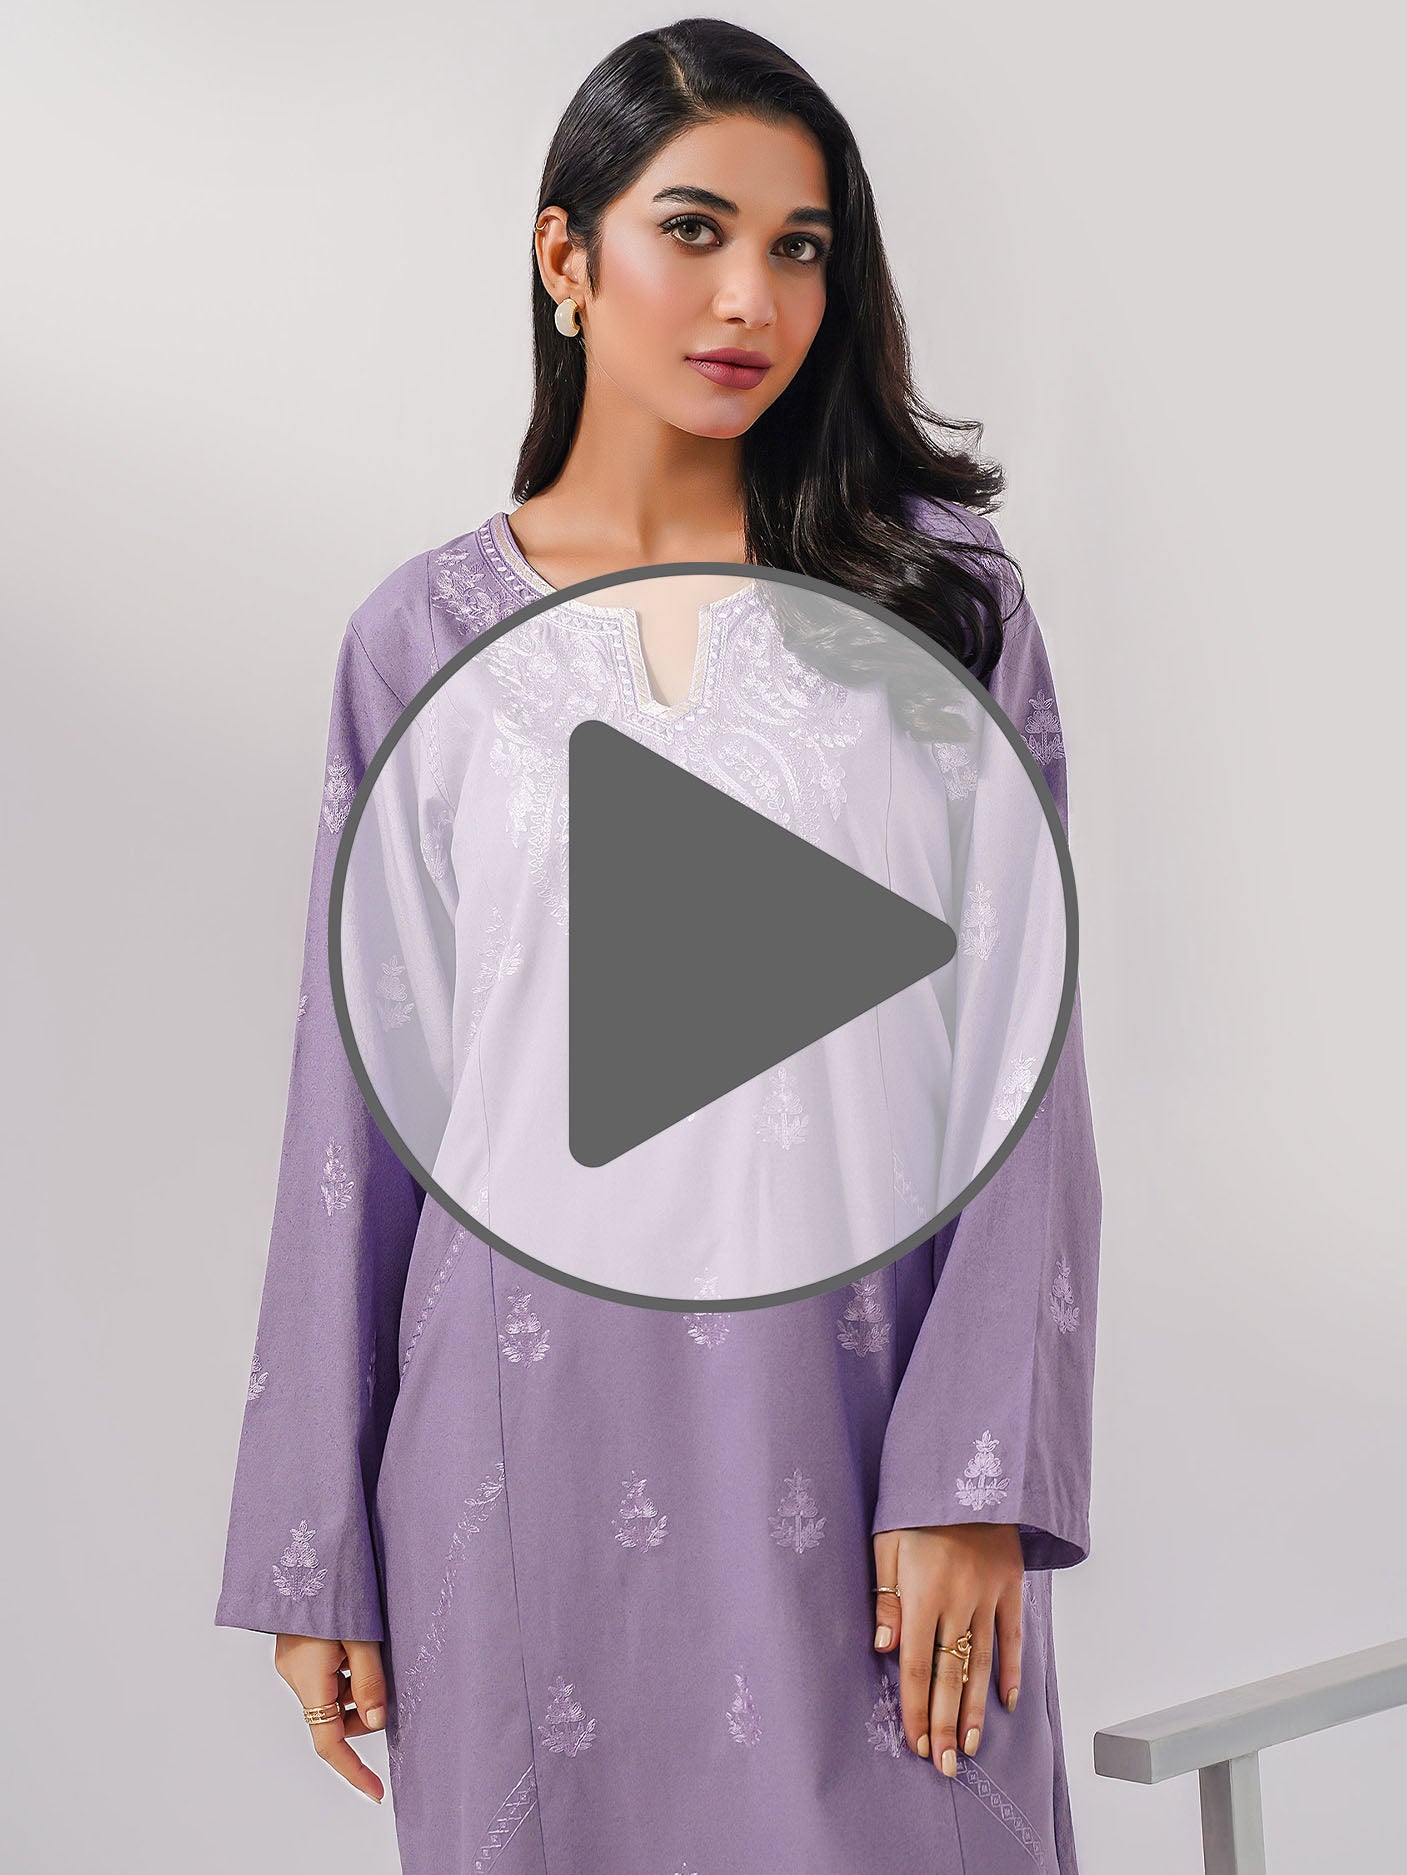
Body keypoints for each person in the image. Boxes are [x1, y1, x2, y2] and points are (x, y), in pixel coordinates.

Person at [215, 18, 1103, 1874]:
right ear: (566, 255)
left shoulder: (941, 606)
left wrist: (976, 1473)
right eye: (692, 229)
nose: (749, 296)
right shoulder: (419, 641)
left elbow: (1025, 1065)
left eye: (799, 247)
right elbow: (355, 1107)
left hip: (868, 1440)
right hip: (517, 1466)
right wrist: (317, 1540)